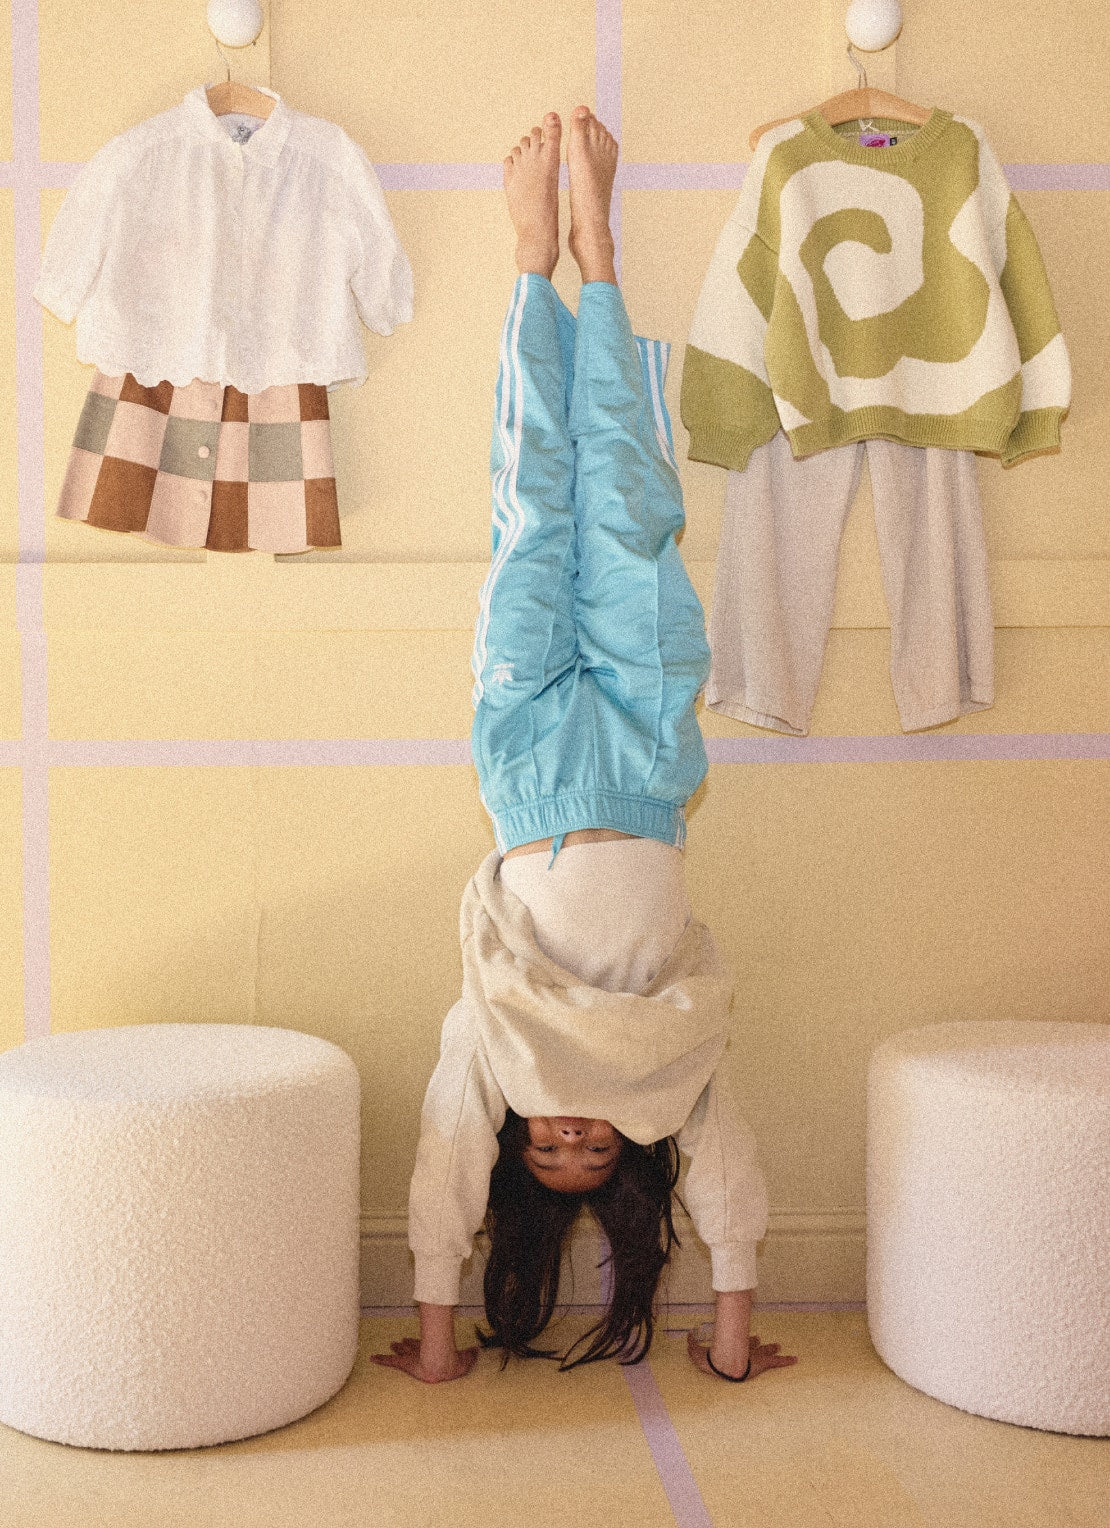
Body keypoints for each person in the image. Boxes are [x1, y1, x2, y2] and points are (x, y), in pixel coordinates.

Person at [372, 107, 797, 1387]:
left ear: (522, 1147)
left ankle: (530, 262)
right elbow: (727, 1173)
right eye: (590, 1151)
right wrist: (730, 1334)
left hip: (530, 772)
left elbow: (447, 1158)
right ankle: (597, 257)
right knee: (624, 508)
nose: (567, 1133)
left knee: (527, 507)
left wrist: (439, 1338)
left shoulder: (496, 1053)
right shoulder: (669, 1075)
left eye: (547, 1150)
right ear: (628, 1146)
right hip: (651, 760)